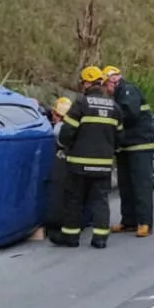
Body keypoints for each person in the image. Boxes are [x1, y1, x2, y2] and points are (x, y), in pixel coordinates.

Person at [52, 66, 121, 249]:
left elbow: (66, 133)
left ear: (88, 83)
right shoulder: (114, 107)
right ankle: (100, 239)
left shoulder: (81, 104)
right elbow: (120, 137)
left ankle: (71, 237)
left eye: (83, 82)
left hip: (79, 164)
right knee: (100, 200)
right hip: (104, 165)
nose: (82, 86)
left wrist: (67, 146)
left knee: (74, 199)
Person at [103, 65, 154, 237]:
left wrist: (109, 120)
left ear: (112, 81)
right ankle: (129, 221)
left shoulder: (128, 91)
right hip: (125, 146)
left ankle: (144, 222)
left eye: (105, 85)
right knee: (126, 186)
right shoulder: (118, 96)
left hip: (139, 145)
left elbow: (129, 114)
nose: (105, 90)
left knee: (141, 186)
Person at [42, 95, 75, 240]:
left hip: (61, 167)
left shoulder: (58, 130)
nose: (52, 116)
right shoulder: (73, 124)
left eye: (55, 114)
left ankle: (60, 227)